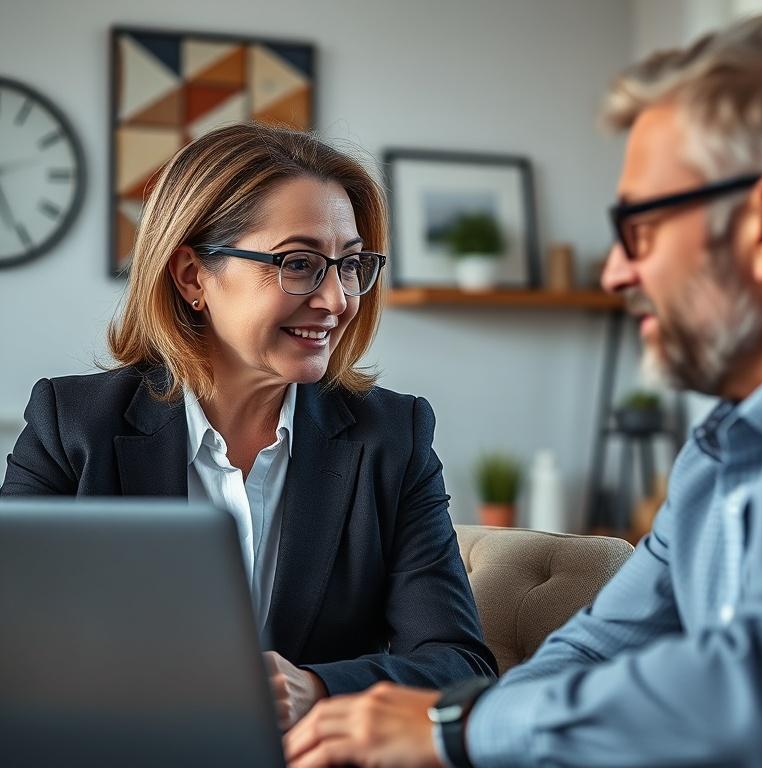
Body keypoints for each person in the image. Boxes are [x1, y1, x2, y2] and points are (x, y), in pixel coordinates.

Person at [280, 13, 762, 768]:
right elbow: (602, 646)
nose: (616, 274)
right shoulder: (728, 445)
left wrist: (453, 730)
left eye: (640, 229)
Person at [0, 123, 497, 730]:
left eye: (350, 266)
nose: (337, 300)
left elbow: (458, 664)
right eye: (299, 264)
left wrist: (315, 686)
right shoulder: (71, 426)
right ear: (192, 277)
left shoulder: (392, 436)